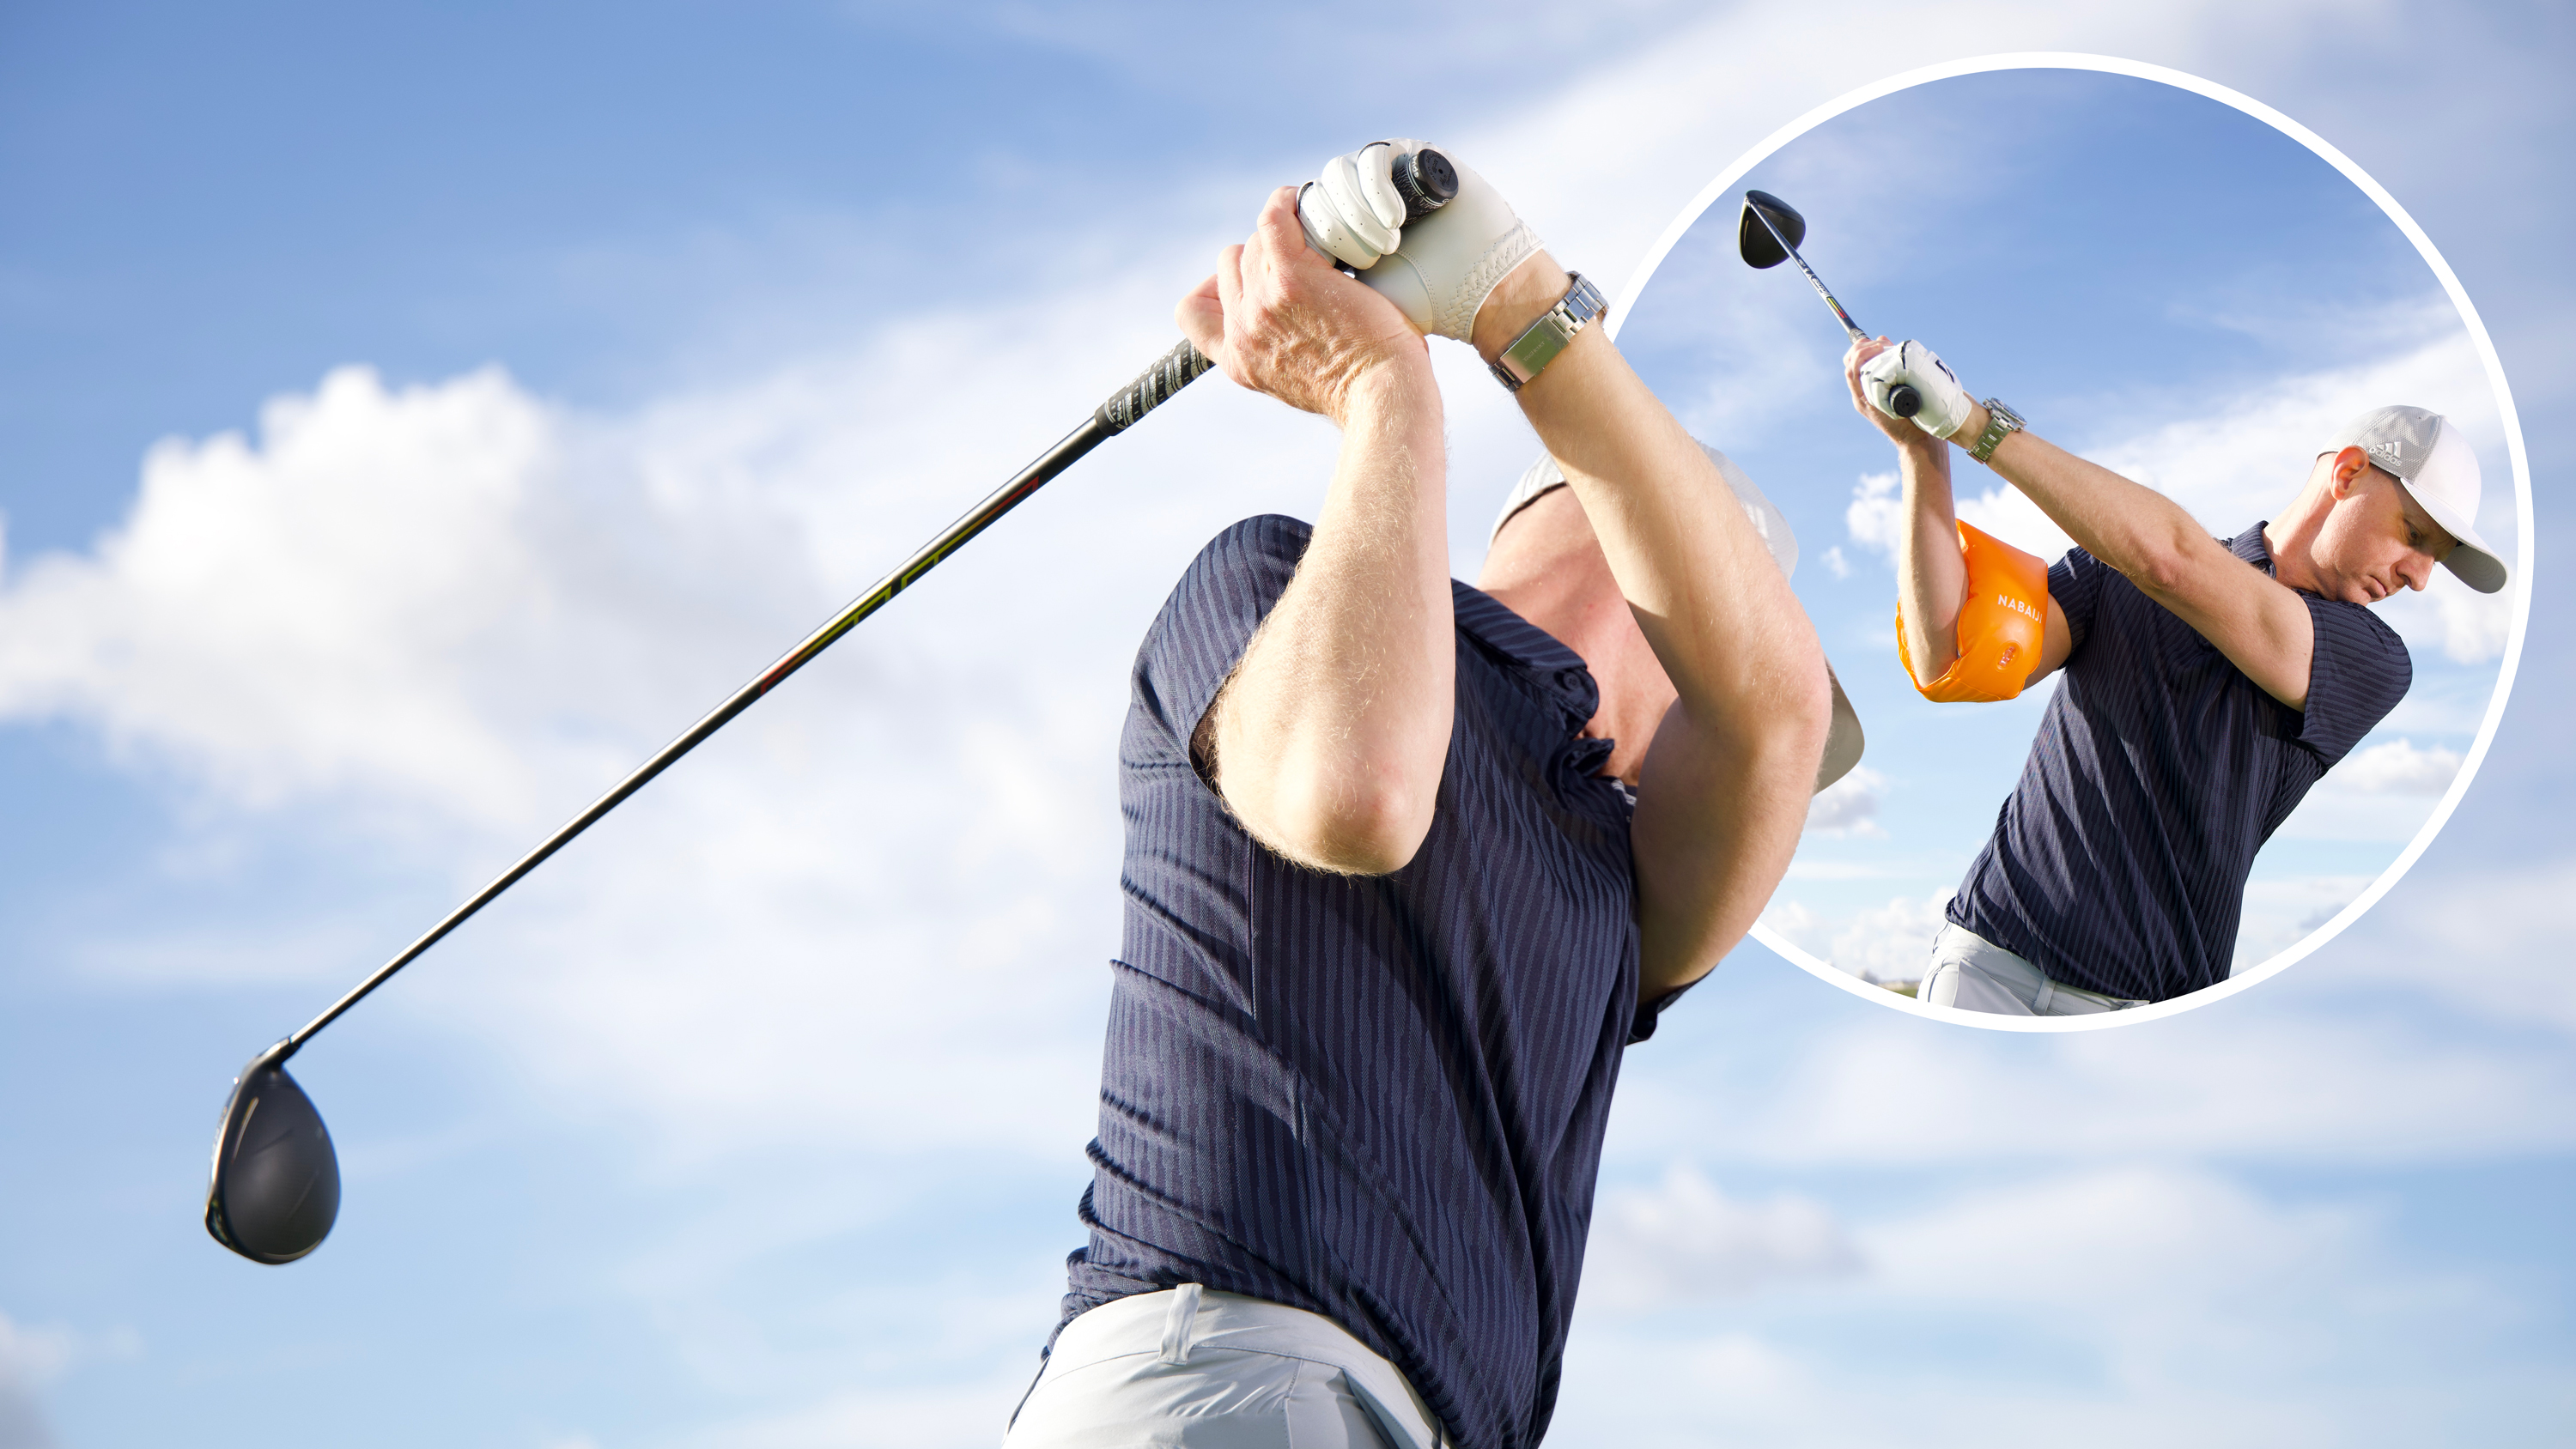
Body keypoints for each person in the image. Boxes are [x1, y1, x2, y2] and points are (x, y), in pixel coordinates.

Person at [1001, 141, 1844, 1449]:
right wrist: (1382, 388)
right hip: (1231, 1377)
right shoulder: (1276, 585)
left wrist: (1516, 298)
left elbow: (1775, 716)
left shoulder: (1625, 883)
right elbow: (1357, 795)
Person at [1843, 335, 2508, 1015]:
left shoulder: (2373, 660)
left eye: (2437, 556)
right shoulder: (2114, 566)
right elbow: (1946, 659)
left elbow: (2173, 564)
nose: (2421, 577)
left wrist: (1970, 424)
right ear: (2347, 475)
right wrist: (1921, 452)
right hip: (1985, 964)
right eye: (2416, 536)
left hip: (2141, 1016)